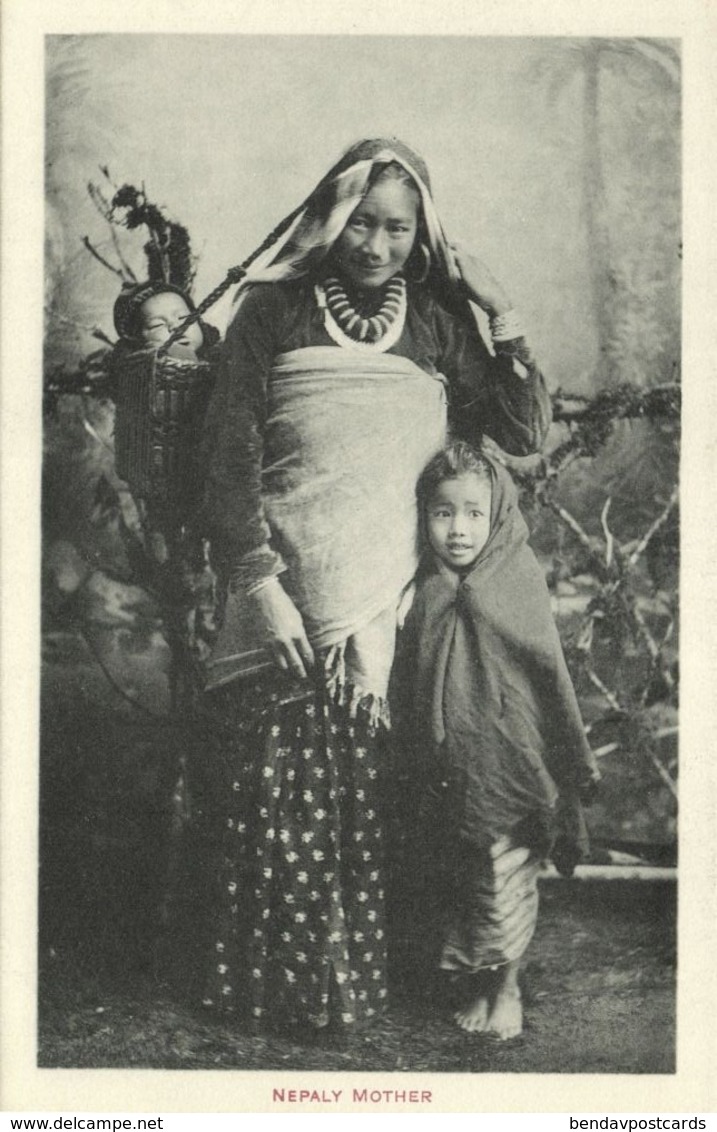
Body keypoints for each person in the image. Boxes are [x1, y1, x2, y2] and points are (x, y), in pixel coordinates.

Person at [191, 136, 552, 1033]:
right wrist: (259, 581)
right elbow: (225, 459)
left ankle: (378, 985)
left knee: (390, 789)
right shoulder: (270, 312)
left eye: (398, 228)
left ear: (420, 233)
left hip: (391, 603)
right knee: (284, 793)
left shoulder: (434, 317)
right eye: (361, 222)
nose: (377, 246)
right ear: (329, 217)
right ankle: (278, 993)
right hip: (284, 590)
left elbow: (518, 429)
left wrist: (498, 311)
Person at [390, 441, 600, 1040]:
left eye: (474, 513)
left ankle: (506, 990)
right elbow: (413, 685)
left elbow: (549, 678)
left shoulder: (515, 580)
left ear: (497, 514)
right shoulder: (426, 590)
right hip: (449, 771)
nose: (458, 530)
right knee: (467, 882)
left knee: (504, 879)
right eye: (443, 512)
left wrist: (567, 762)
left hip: (510, 766)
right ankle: (480, 984)